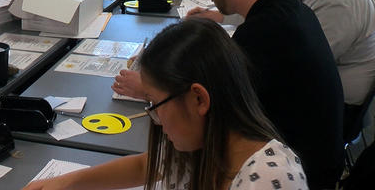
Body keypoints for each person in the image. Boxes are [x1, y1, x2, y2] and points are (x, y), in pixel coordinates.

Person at [24, 18, 307, 190]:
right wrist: (69, 182)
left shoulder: (270, 179)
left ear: (199, 99)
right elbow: (150, 165)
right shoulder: (203, 144)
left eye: (155, 103)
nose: (154, 117)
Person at [187, 0, 344, 189]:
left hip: (298, 174)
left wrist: (151, 83)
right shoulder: (293, 8)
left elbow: (210, 111)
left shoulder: (258, 34)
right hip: (318, 160)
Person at [278, 0, 375, 132]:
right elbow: (279, 10)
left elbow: (303, 67)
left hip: (337, 106)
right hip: (316, 81)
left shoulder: (341, 2)